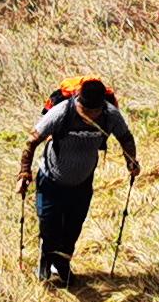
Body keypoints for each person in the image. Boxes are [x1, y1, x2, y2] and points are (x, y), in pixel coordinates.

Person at [19, 75, 139, 284]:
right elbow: (31, 141)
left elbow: (126, 138)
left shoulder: (110, 115)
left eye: (94, 112)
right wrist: (24, 173)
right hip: (51, 179)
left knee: (73, 228)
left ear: (102, 106)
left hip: (82, 183)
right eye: (86, 111)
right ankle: (46, 261)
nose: (90, 115)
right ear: (79, 101)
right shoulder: (62, 112)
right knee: (49, 226)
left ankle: (62, 266)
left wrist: (131, 162)